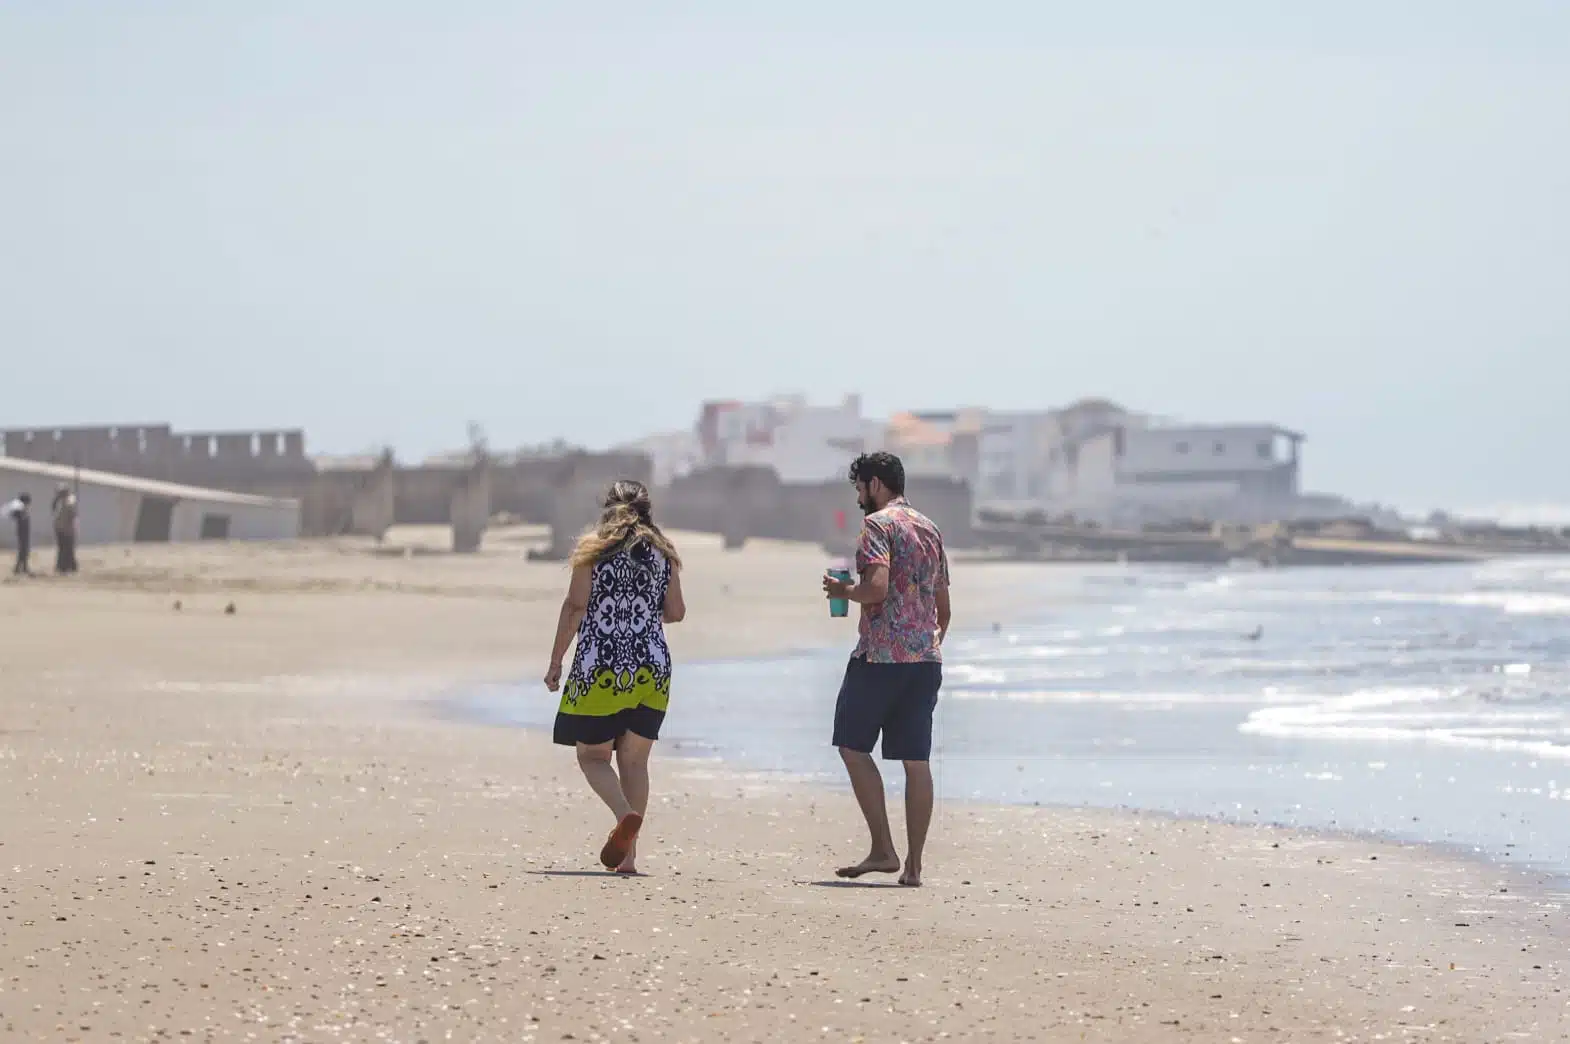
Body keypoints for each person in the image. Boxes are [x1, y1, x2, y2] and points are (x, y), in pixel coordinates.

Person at [544, 479, 686, 874]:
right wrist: (642, 612)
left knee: (592, 756)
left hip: (601, 666)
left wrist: (556, 661)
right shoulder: (663, 552)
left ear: (607, 508)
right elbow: (676, 611)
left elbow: (575, 607)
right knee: (635, 762)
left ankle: (624, 815)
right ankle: (629, 859)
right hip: (652, 667)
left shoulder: (594, 548)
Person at [822, 452, 950, 887]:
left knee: (852, 746)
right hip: (925, 660)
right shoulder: (930, 528)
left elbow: (875, 589)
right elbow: (943, 609)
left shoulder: (878, 525)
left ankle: (882, 849)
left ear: (876, 484)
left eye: (859, 488)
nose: (859, 497)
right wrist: (922, 644)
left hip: (880, 658)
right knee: (916, 761)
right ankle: (913, 866)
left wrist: (843, 590)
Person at [52, 484, 79, 575]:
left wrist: (72, 527)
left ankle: (68, 566)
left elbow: (72, 515)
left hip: (67, 529)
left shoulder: (69, 501)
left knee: (67, 548)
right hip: (60, 529)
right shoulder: (59, 502)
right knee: (63, 549)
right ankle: (63, 566)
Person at [5, 493, 33, 576]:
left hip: (23, 533)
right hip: (22, 533)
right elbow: (18, 517)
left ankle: (22, 567)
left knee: (24, 551)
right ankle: (19, 568)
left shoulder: (22, 509)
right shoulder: (20, 510)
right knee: (23, 551)